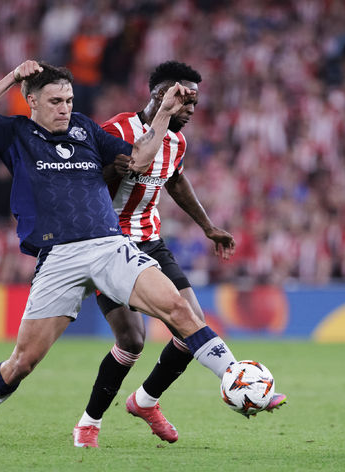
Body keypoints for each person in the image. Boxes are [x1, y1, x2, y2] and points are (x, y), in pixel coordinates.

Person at [0, 60, 245, 446]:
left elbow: (140, 159)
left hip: (109, 244)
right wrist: (12, 77)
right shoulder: (17, 134)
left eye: (69, 100)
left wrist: (164, 113)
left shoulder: (85, 129)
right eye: (55, 101)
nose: (65, 108)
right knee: (22, 362)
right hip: (59, 255)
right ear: (32, 101)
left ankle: (238, 377)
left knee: (179, 310)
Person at [72, 61, 287, 448]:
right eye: (186, 101)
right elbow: (83, 184)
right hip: (108, 245)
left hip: (151, 241)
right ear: (161, 95)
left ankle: (145, 401)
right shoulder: (116, 131)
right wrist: (113, 171)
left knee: (192, 325)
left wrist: (208, 226)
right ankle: (89, 423)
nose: (191, 110)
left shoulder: (176, 142)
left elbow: (176, 180)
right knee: (132, 341)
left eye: (194, 104)